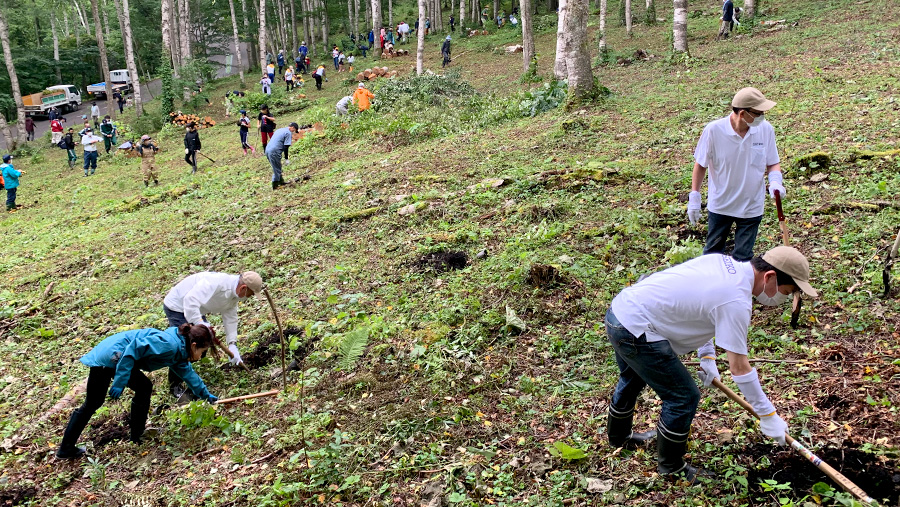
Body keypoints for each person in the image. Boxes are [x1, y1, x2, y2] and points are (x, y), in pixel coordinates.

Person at [603, 246, 816, 481]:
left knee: (632, 377)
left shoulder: (722, 263)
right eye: (785, 292)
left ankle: (619, 439)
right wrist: (768, 414)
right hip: (637, 329)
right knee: (683, 397)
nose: (782, 298)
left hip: (621, 311)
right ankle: (671, 467)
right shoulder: (736, 300)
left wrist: (707, 357)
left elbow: (700, 311)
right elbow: (739, 368)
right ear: (770, 277)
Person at [55, 324, 220, 459]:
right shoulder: (168, 345)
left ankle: (137, 434)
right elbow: (132, 350)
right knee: (93, 402)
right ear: (193, 345)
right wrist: (120, 381)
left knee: (144, 388)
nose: (200, 357)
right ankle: (66, 449)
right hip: (112, 356)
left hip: (121, 356)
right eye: (202, 353)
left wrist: (206, 395)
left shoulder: (180, 352)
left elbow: (189, 375)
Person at [687, 87, 784, 262]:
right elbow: (700, 164)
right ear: (742, 113)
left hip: (751, 206)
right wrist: (695, 196)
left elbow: (772, 162)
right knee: (712, 256)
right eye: (758, 113)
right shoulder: (714, 131)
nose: (762, 117)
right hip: (721, 204)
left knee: (743, 258)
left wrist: (776, 181)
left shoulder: (765, 129)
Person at [162, 271, 263, 397]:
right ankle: (175, 385)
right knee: (185, 347)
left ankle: (190, 374)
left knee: (203, 344)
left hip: (196, 308)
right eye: (250, 294)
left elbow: (230, 318)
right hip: (178, 306)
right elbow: (190, 300)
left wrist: (232, 344)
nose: (249, 297)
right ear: (243, 288)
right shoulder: (216, 283)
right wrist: (200, 323)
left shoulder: (234, 296)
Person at [266, 123, 301, 190]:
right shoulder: (288, 133)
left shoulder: (280, 130)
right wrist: (286, 158)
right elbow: (286, 147)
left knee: (277, 166)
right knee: (276, 168)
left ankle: (281, 182)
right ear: (292, 127)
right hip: (274, 151)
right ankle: (275, 185)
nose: (293, 132)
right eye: (294, 130)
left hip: (268, 150)